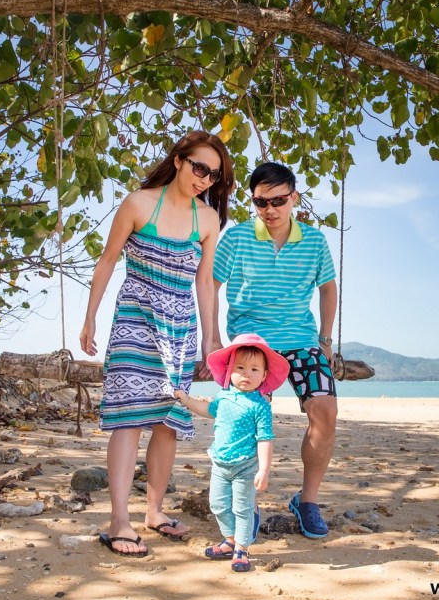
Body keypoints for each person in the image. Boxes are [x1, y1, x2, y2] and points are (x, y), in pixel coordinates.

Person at [80, 131, 234, 557]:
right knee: (128, 418)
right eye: (199, 168)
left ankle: (153, 511)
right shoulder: (138, 203)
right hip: (134, 316)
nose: (205, 179)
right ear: (180, 160)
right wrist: (90, 316)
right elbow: (108, 260)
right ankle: (119, 521)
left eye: (213, 175)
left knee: (168, 421)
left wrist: (211, 338)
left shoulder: (208, 220)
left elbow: (205, 282)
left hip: (180, 328)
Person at [212, 161, 338, 539]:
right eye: (260, 203)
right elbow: (210, 284)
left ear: (294, 198)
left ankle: (308, 501)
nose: (269, 210)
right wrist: (215, 340)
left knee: (325, 408)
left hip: (301, 339)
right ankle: (243, 504)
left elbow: (328, 288)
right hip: (251, 343)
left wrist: (326, 340)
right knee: (244, 420)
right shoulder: (236, 239)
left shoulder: (314, 241)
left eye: (278, 201)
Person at [173, 334, 288, 572]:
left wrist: (265, 469)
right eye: (241, 367)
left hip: (246, 466)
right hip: (220, 464)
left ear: (264, 375)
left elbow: (265, 439)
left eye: (255, 369)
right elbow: (207, 409)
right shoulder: (224, 397)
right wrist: (186, 400)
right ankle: (230, 539)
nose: (246, 374)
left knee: (242, 508)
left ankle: (242, 549)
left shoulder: (260, 406)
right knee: (217, 505)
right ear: (229, 370)